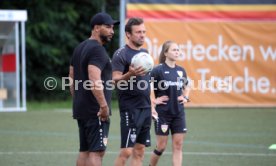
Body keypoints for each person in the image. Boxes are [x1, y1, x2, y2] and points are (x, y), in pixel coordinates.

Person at [69, 12, 119, 166]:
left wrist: (78, 98)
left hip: (82, 107)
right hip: (95, 110)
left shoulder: (80, 47)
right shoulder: (97, 50)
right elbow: (94, 78)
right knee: (97, 153)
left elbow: (71, 77)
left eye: (113, 27)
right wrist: (103, 106)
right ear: (96, 28)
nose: (112, 31)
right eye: (108, 27)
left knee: (85, 151)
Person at [112, 18, 152, 166]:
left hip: (145, 107)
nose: (142, 35)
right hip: (130, 107)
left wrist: (152, 105)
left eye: (144, 32)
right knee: (126, 151)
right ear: (128, 34)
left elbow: (148, 82)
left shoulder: (145, 53)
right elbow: (114, 80)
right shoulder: (120, 54)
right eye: (138, 32)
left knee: (140, 150)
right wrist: (130, 74)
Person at [149, 41, 190, 166]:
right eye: (174, 50)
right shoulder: (158, 70)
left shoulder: (181, 70)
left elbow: (187, 86)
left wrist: (186, 97)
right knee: (161, 146)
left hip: (178, 113)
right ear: (166, 53)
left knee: (178, 145)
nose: (177, 52)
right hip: (163, 114)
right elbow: (147, 87)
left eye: (178, 50)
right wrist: (153, 102)